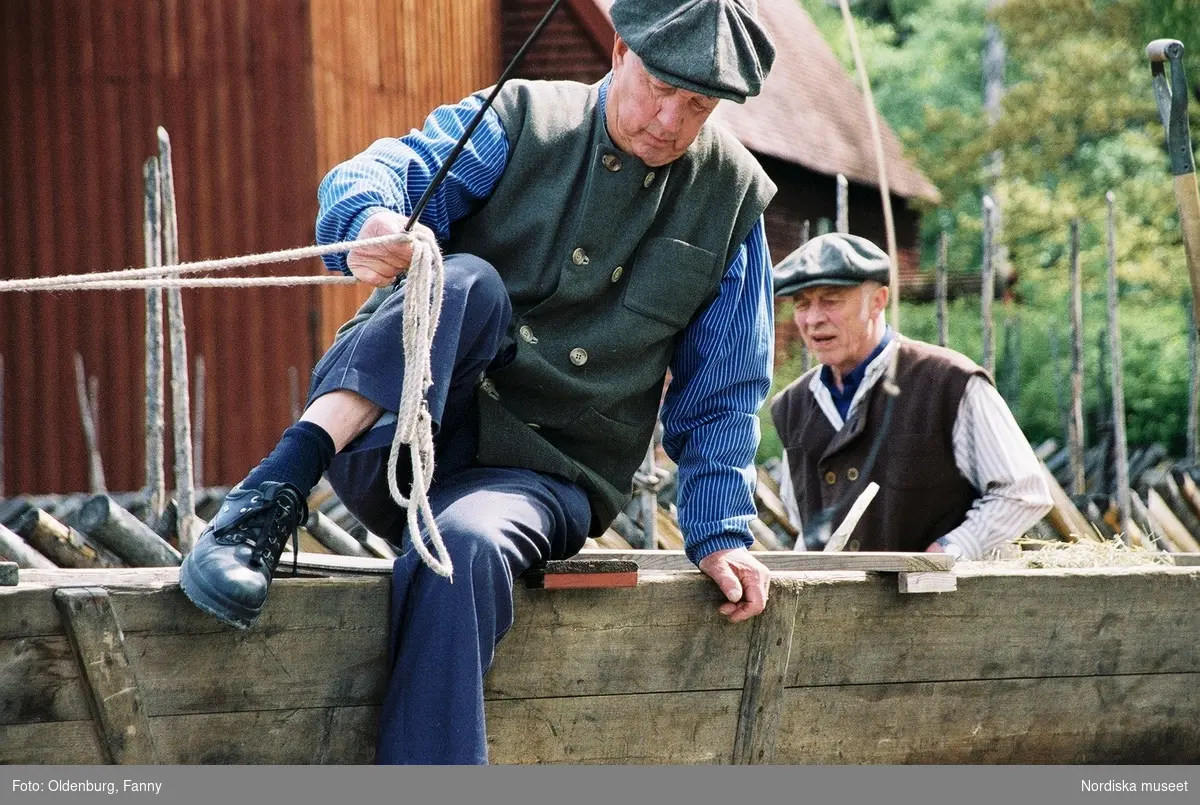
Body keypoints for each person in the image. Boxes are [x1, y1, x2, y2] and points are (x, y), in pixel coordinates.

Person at [178, 0, 779, 764]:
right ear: (620, 49)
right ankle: (267, 497)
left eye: (697, 104)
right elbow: (382, 170)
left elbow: (724, 390)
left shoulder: (732, 201)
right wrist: (368, 221)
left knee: (462, 546)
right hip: (401, 434)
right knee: (463, 280)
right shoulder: (521, 118)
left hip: (539, 481)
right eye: (659, 86)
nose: (669, 118)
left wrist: (721, 531)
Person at [770, 233, 1052, 556]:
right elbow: (804, 528)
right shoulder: (791, 407)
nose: (813, 319)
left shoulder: (949, 383)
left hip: (941, 604)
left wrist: (951, 549)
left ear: (877, 301)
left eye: (830, 301)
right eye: (802, 304)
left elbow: (1023, 491)